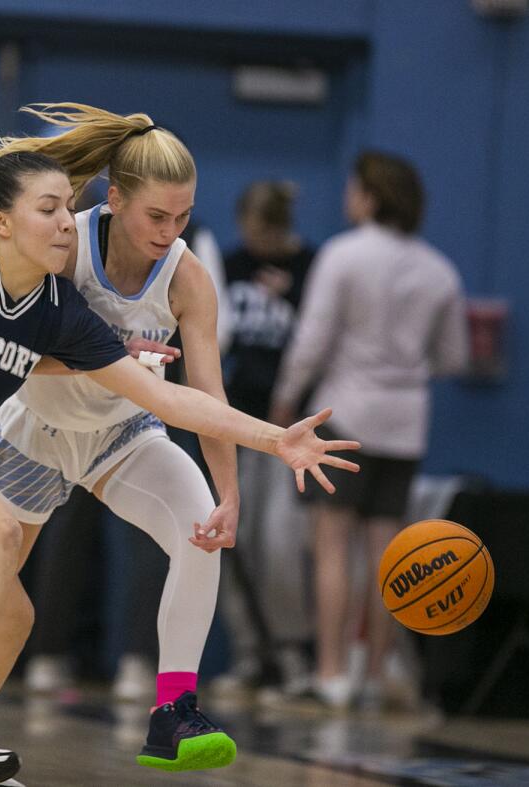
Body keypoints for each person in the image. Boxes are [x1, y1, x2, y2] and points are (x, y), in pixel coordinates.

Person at [0, 145, 358, 786]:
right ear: (3, 220)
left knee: (12, 613)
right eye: (50, 208)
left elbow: (172, 397)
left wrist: (278, 439)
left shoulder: (57, 312)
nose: (67, 219)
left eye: (68, 207)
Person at [270, 150, 468, 710]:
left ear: (370, 196)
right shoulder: (439, 270)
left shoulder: (343, 255)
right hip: (406, 427)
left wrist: (286, 401)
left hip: (345, 416)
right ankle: (375, 676)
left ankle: (332, 672)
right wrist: (406, 372)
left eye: (354, 187)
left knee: (331, 546)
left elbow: (312, 340)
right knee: (388, 556)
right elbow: (453, 357)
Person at [214, 181, 316, 695]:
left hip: (290, 429)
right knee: (235, 540)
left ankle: (293, 651)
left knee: (279, 543)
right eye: (248, 233)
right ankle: (250, 652)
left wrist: (293, 296)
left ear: (281, 229)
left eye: (263, 235)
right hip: (238, 421)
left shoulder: (310, 269)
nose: (255, 243)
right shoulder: (230, 266)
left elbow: (319, 340)